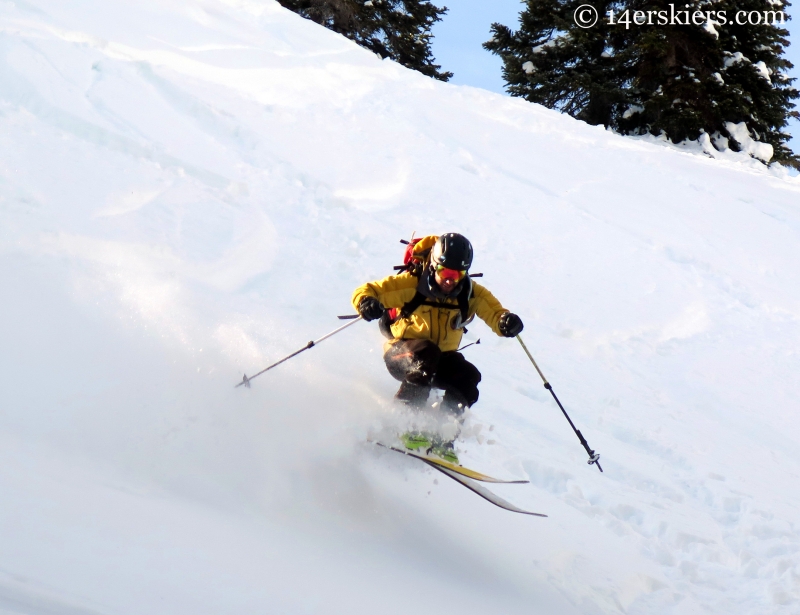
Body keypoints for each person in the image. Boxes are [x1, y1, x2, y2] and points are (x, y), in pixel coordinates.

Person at [351, 233, 523, 459]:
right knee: (426, 354)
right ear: (434, 266)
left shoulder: (470, 294)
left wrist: (506, 322)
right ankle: (403, 423)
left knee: (468, 376)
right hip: (402, 354)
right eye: (445, 272)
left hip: (438, 359)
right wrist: (366, 303)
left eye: (458, 274)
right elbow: (366, 290)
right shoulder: (413, 284)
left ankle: (442, 436)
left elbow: (495, 313)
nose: (451, 279)